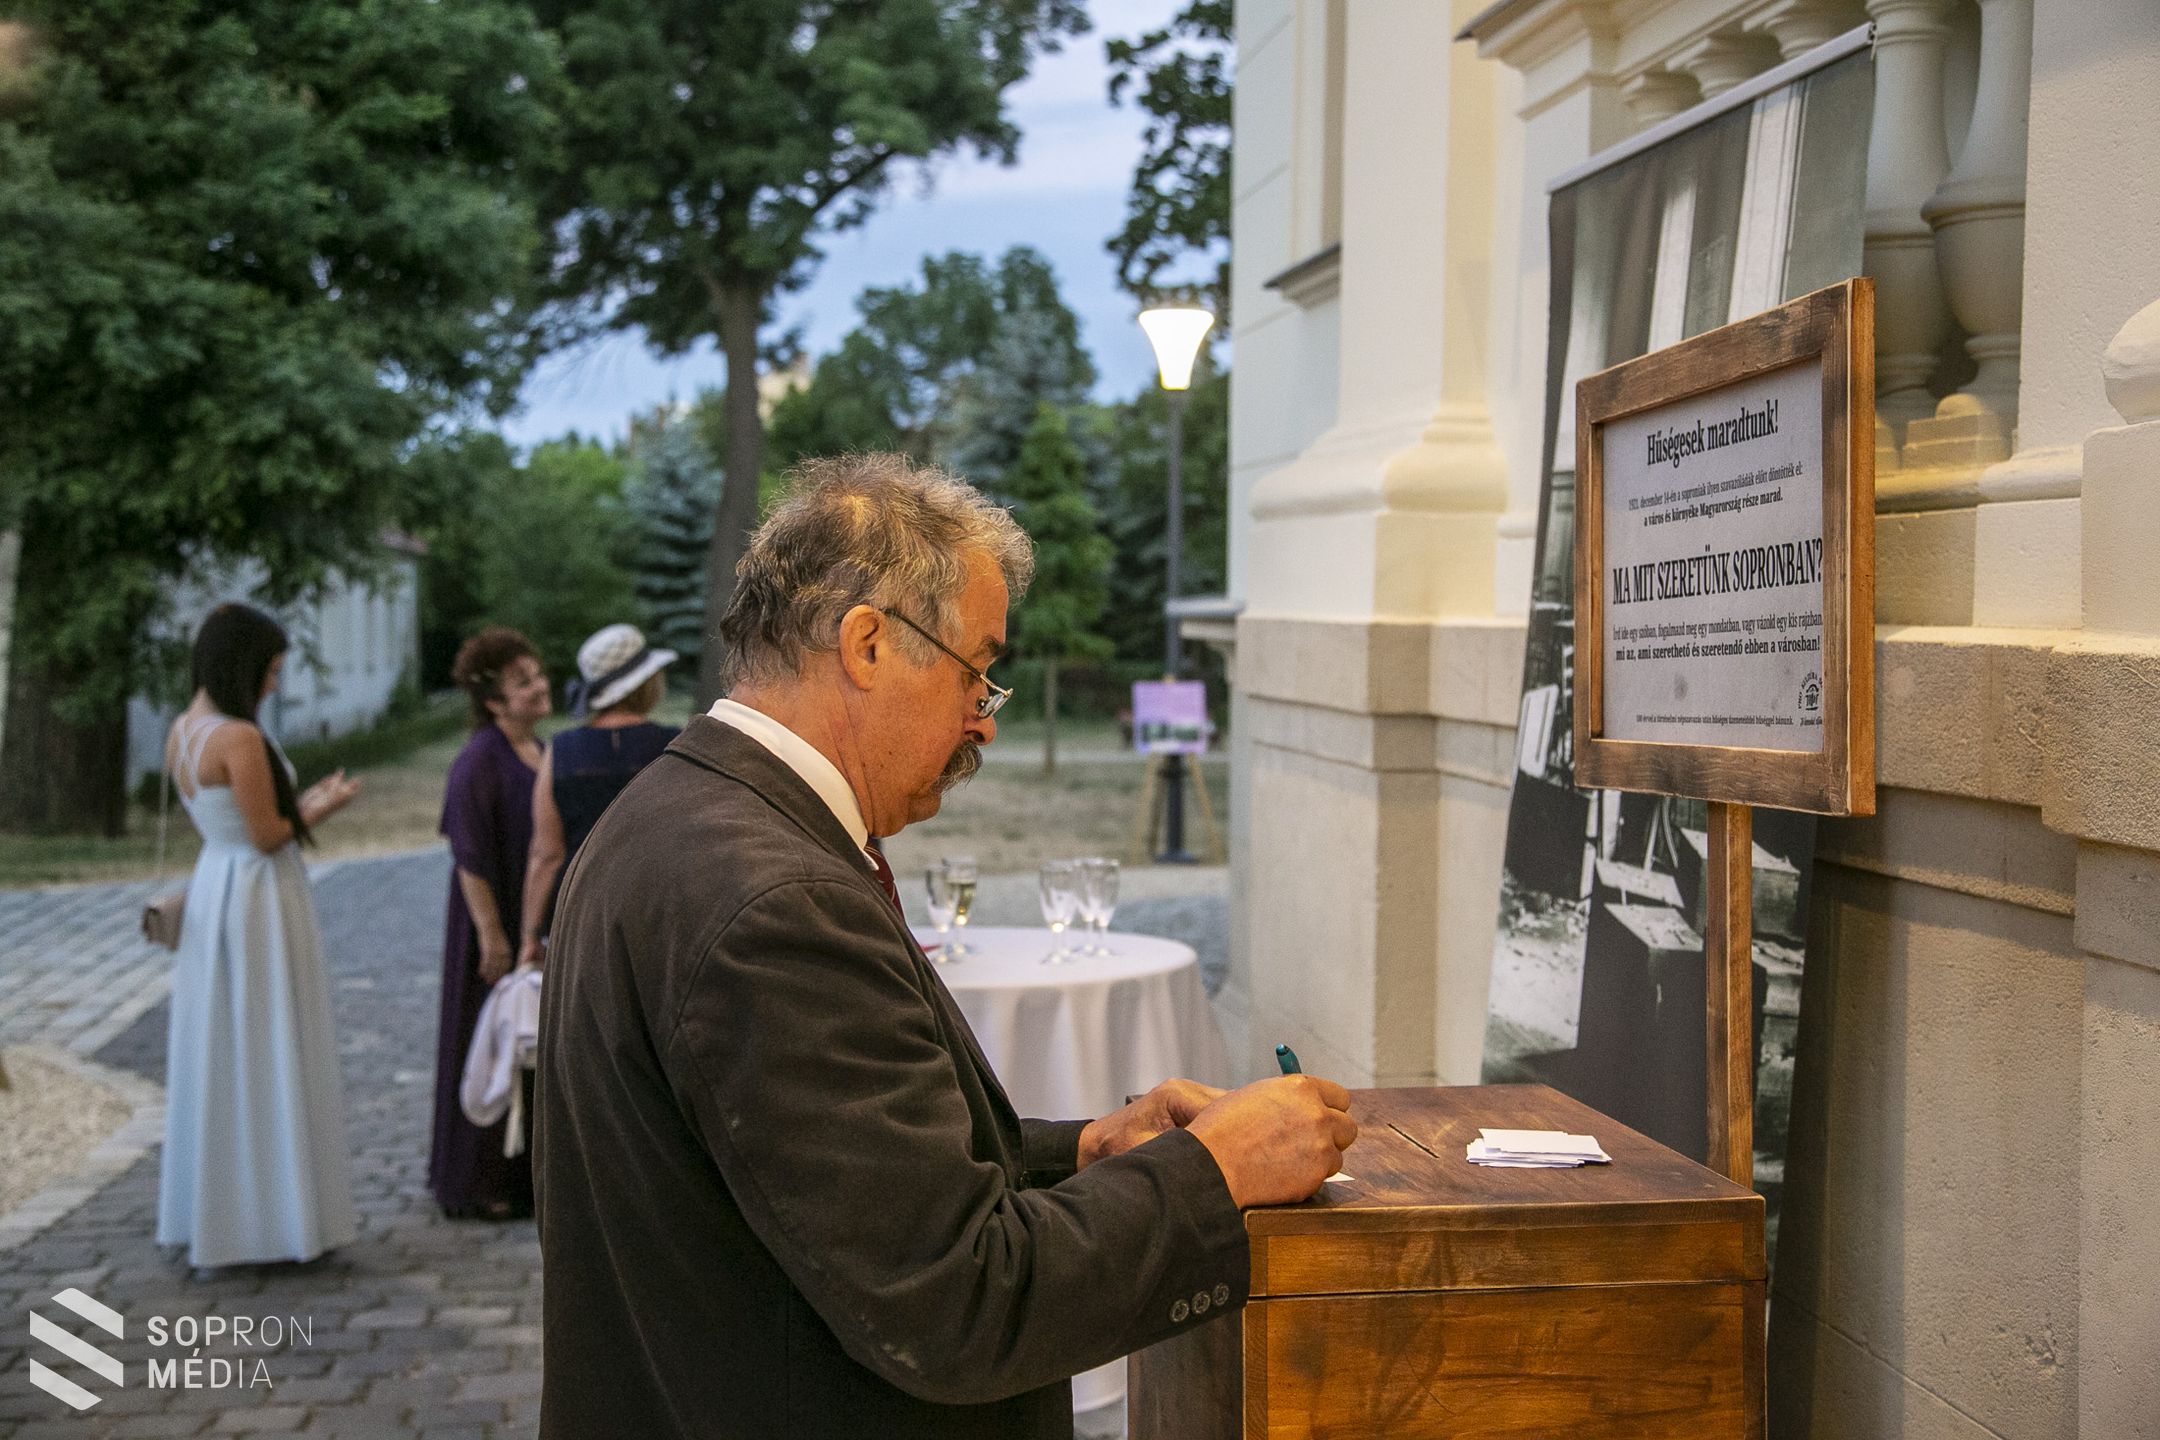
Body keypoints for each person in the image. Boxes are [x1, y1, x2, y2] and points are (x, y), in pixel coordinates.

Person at [536, 456, 1357, 1438]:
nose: (985, 718)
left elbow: (845, 1187)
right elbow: (959, 1303)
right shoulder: (772, 897)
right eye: (975, 668)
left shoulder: (677, 811)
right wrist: (1214, 1176)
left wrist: (1088, 1151)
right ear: (869, 644)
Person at [158, 602, 362, 1268]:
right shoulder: (238, 739)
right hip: (258, 895)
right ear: (243, 666)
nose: (274, 684)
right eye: (271, 670)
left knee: (225, 1045)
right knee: (270, 1041)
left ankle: (223, 1215)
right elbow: (268, 834)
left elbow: (227, 826)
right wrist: (324, 805)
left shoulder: (182, 731)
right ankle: (278, 1218)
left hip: (216, 881)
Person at [429, 625, 550, 1220]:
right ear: (494, 702)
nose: (539, 687)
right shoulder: (479, 761)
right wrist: (493, 935)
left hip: (530, 920)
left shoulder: (542, 750)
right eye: (523, 682)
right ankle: (478, 1181)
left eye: (538, 675)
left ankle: (526, 1175)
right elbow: (467, 855)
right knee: (486, 1041)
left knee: (527, 1042)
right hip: (491, 925)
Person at [515, 623, 679, 970]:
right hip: (661, 908)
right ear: (650, 683)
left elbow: (546, 854)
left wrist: (530, 934)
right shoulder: (676, 745)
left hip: (581, 911)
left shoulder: (560, 752)